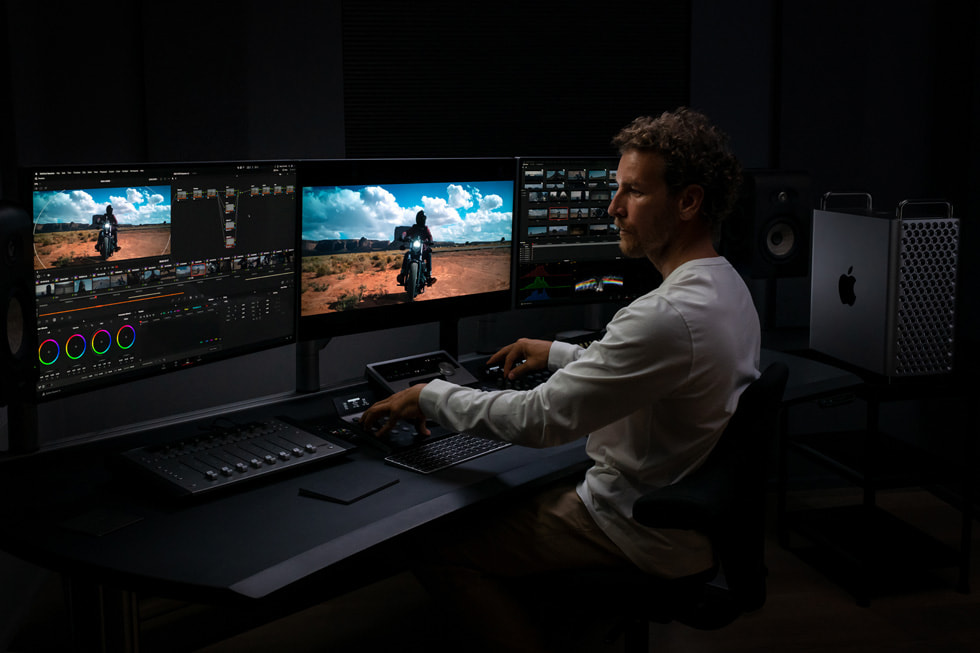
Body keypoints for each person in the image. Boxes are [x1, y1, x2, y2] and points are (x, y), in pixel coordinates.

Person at [361, 107, 761, 651]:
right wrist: (556, 353)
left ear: (688, 201)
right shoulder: (726, 288)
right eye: (617, 189)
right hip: (680, 518)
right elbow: (647, 372)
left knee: (437, 545)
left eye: (634, 193)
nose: (614, 208)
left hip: (631, 526)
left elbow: (537, 420)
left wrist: (429, 396)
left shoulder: (665, 315)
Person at [396, 210, 437, 286]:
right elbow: (406, 232)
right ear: (418, 219)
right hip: (414, 249)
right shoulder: (414, 227)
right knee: (407, 255)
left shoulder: (425, 228)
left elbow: (430, 236)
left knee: (428, 255)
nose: (422, 220)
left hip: (423, 249)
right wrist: (403, 236)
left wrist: (431, 240)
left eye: (423, 218)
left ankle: (429, 276)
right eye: (421, 218)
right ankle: (402, 274)